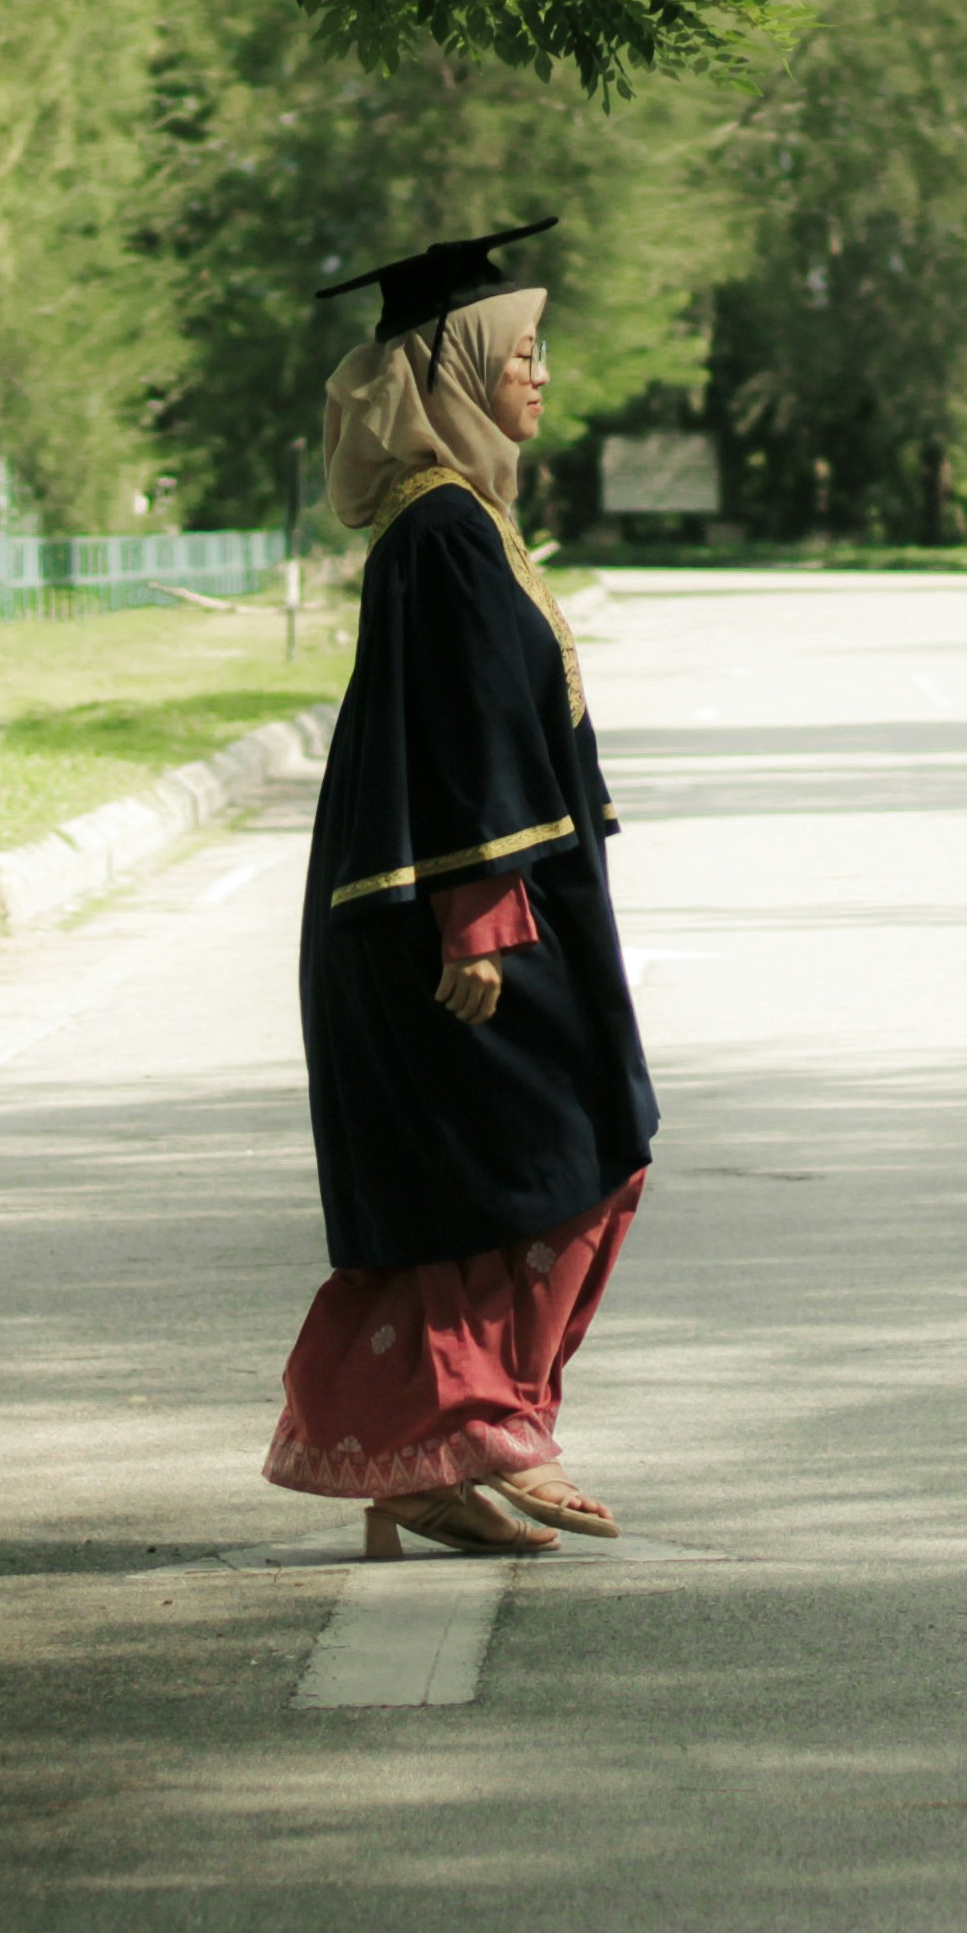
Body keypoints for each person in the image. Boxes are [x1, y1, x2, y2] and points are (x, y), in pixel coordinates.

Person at [267, 221, 659, 1557]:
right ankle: (479, 1431)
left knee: (530, 1165)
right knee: (541, 1159)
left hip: (488, 901)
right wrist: (480, 915)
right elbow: (459, 732)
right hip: (463, 919)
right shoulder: (440, 531)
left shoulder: (457, 518)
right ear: (453, 370)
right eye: (521, 353)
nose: (540, 375)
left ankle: (443, 1452)